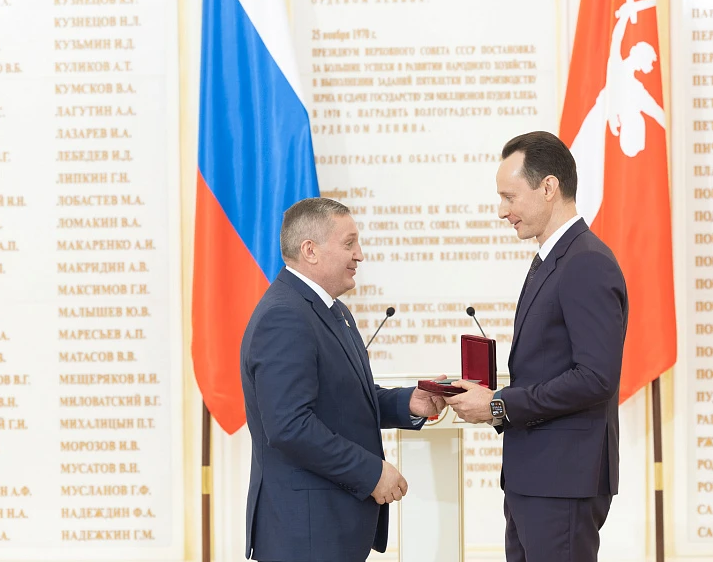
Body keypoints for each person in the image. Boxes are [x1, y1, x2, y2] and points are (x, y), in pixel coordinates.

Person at [446, 131, 629, 562]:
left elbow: (595, 378)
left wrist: (499, 404)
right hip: (536, 478)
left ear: (548, 187)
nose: (502, 211)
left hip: (562, 481)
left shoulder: (586, 261)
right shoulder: (551, 258)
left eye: (509, 197)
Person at [240, 197, 446, 562]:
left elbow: (343, 398)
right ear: (310, 251)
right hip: (305, 534)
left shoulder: (332, 310)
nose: (359, 255)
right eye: (349, 243)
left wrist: (409, 402)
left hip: (329, 529)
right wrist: (371, 473)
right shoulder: (284, 316)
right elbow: (290, 426)